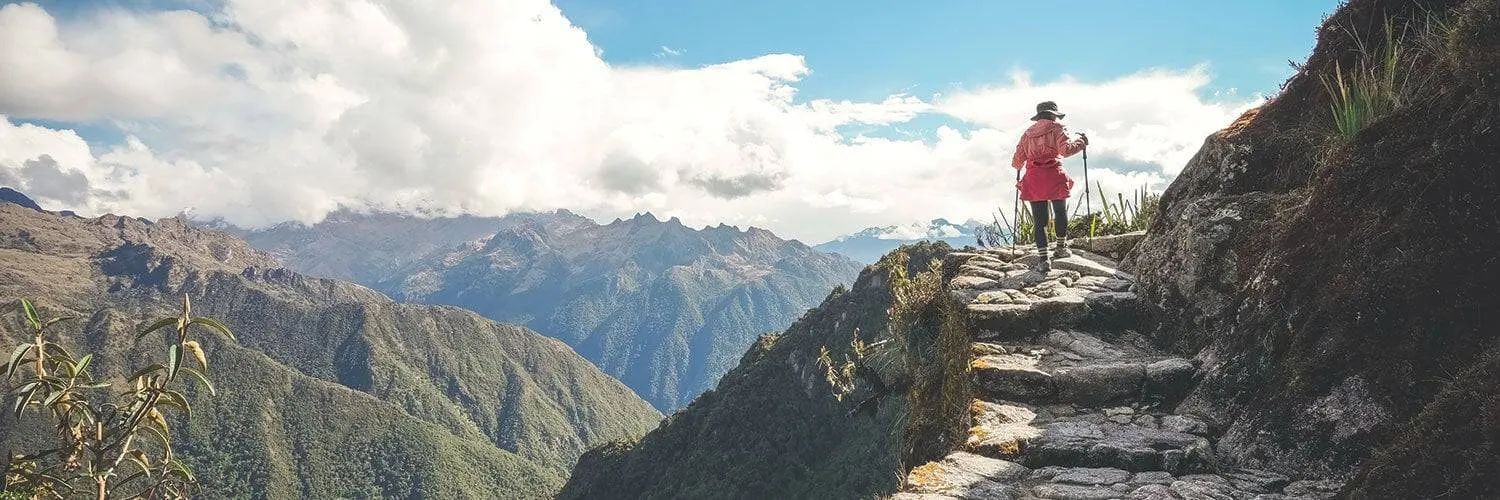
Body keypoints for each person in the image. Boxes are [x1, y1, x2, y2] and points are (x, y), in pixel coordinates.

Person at [1011, 101, 1088, 272]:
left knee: (1040, 221)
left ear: (1038, 117)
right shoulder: (1057, 128)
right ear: (1053, 115)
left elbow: (1017, 161)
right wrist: (1081, 142)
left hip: (1034, 179)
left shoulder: (1027, 134)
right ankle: (1061, 248)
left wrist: (1021, 163)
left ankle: (1044, 259)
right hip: (1054, 176)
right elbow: (1066, 150)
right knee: (1060, 211)